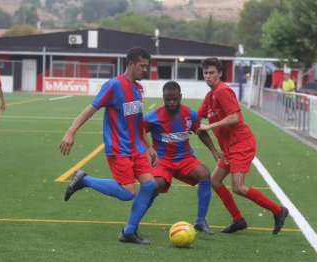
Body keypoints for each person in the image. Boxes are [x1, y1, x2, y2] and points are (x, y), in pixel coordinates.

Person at [59, 46, 158, 245]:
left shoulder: (139, 88)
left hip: (137, 148)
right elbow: (91, 108)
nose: (145, 70)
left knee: (149, 185)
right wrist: (71, 132)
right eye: (142, 66)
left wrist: (148, 146)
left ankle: (128, 232)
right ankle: (84, 180)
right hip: (118, 148)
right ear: (130, 64)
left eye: (147, 66)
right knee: (127, 193)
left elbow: (138, 120)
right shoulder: (113, 85)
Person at [196, 57, 289, 235]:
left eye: (212, 73)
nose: (208, 76)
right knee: (214, 181)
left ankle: (278, 210)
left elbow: (234, 118)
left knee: (238, 187)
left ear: (220, 74)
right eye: (205, 73)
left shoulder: (223, 91)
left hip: (241, 144)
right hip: (228, 148)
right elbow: (195, 117)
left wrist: (208, 126)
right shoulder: (210, 96)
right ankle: (238, 220)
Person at [143, 81, 221, 235]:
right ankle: (135, 219)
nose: (171, 103)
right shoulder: (152, 116)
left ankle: (200, 221)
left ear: (180, 97)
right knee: (156, 185)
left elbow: (200, 131)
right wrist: (149, 149)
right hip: (163, 160)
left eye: (174, 99)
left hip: (185, 158)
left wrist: (213, 150)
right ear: (163, 98)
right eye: (167, 99)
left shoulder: (190, 114)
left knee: (205, 175)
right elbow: (139, 132)